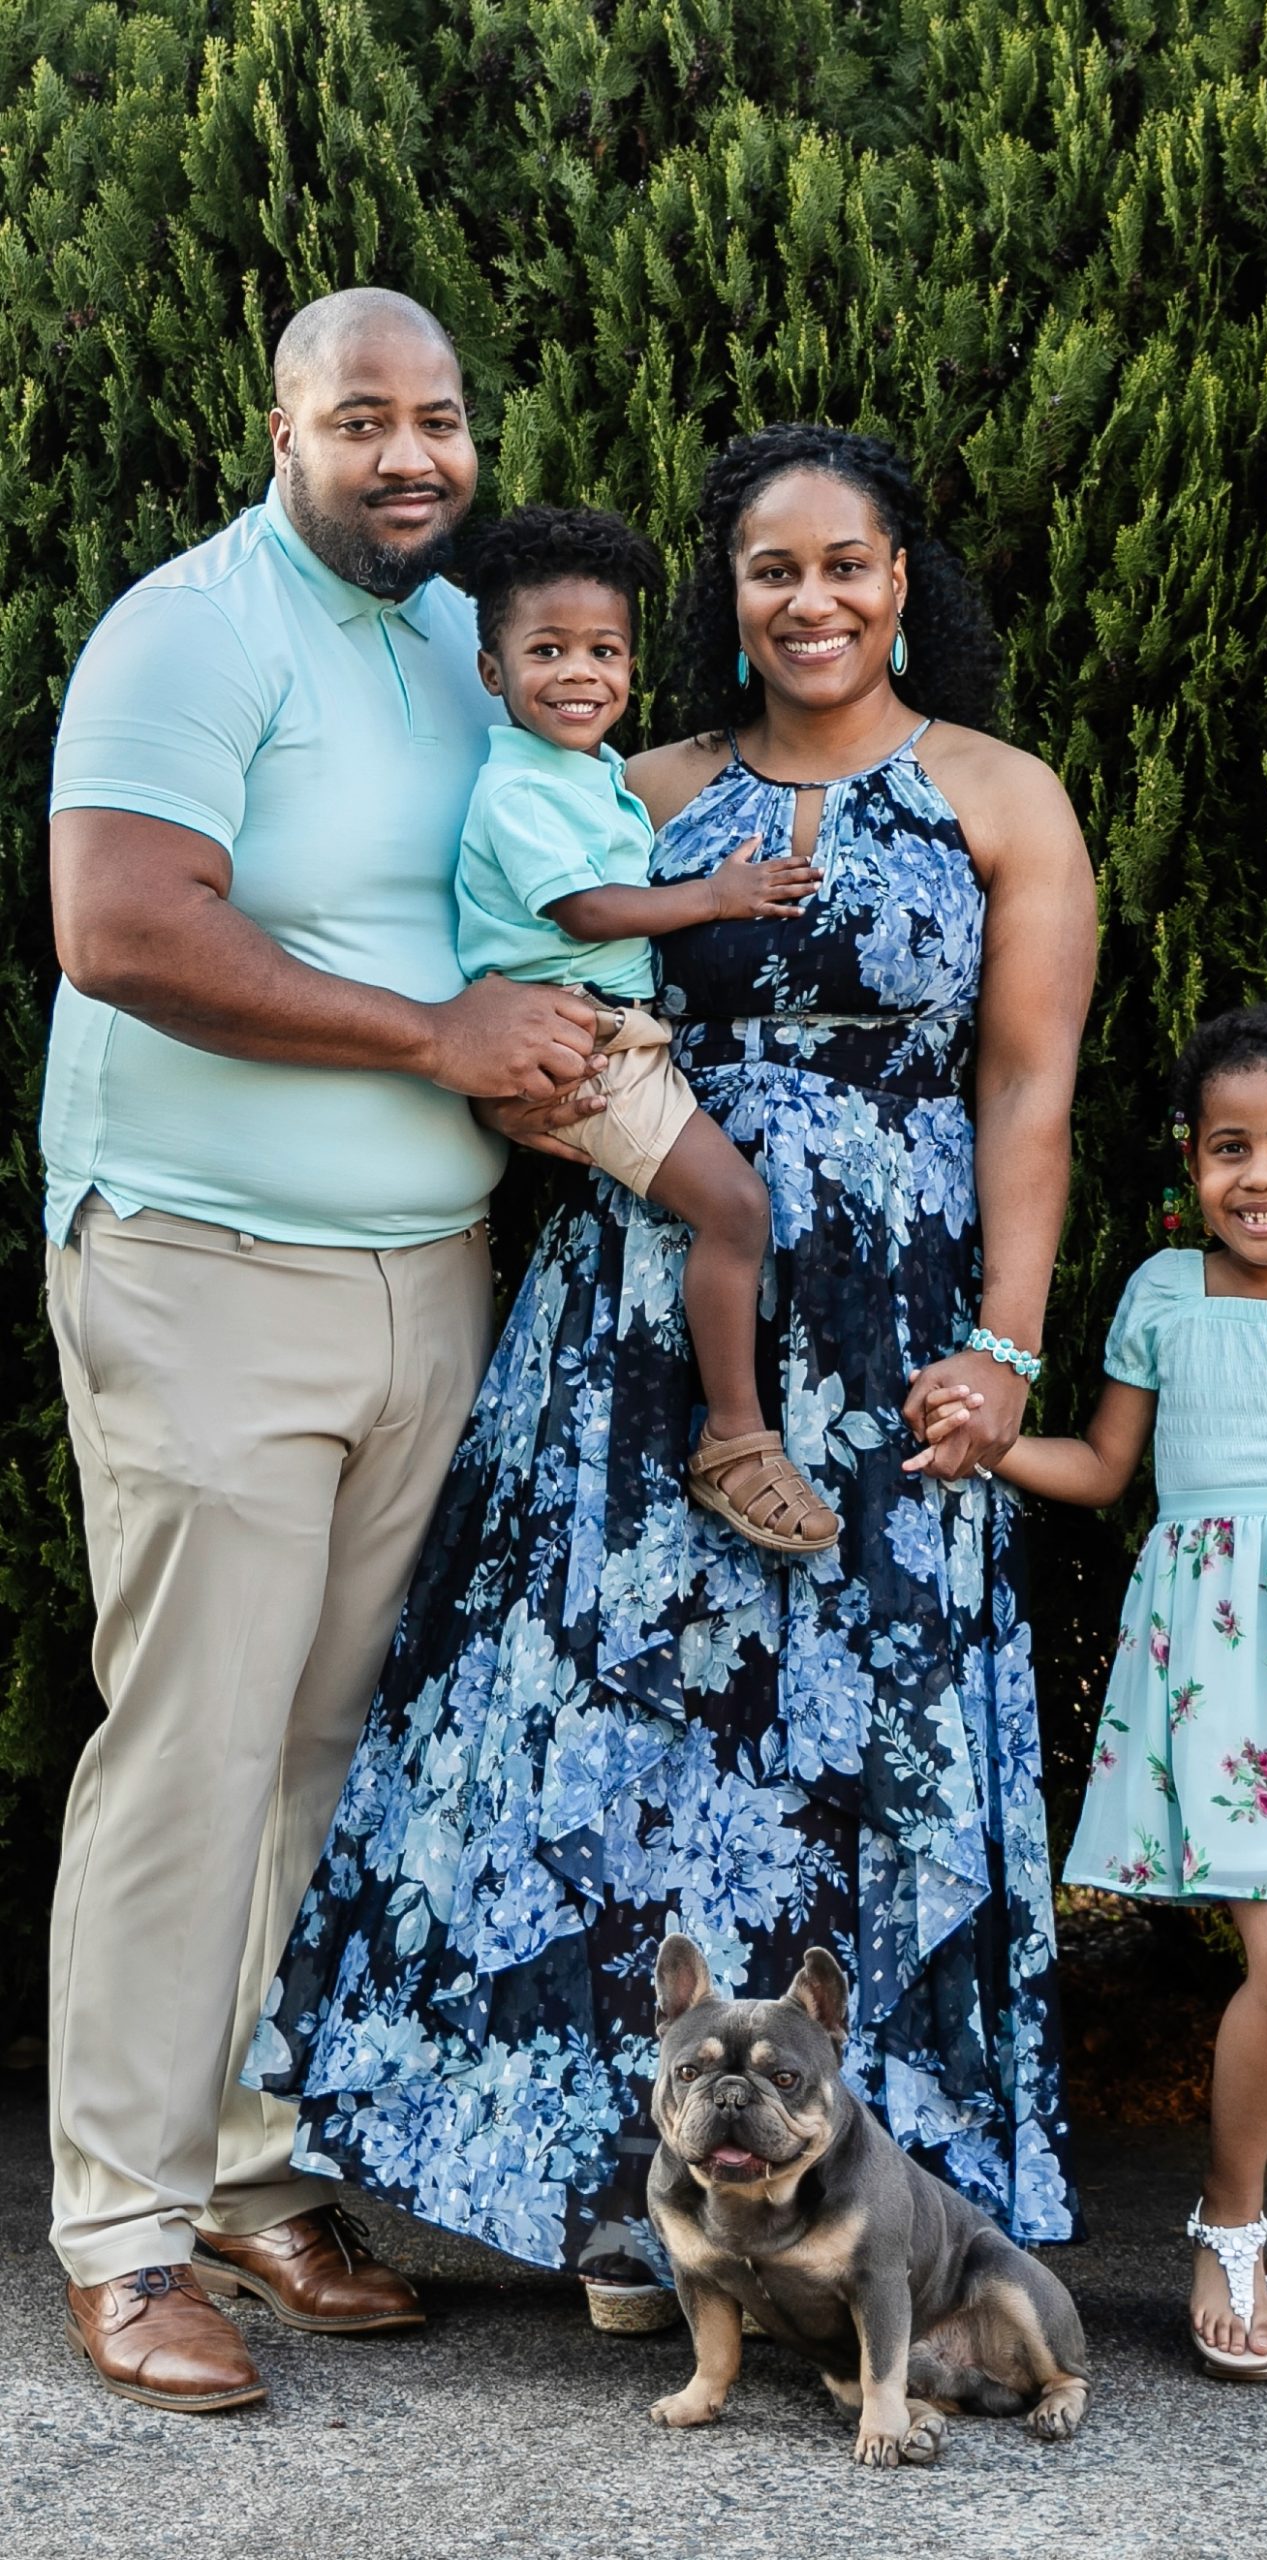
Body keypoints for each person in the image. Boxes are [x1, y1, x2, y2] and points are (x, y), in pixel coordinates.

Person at [249, 422, 1097, 2321]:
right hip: (644, 1324)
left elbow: (1027, 1083)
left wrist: (1007, 1343)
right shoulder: (628, 785)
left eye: (847, 565)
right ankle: (623, 2207)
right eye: (771, 570)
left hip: (890, 1333)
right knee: (617, 1740)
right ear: (724, 600)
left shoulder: (997, 797)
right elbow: (513, 976)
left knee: (852, 1748)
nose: (811, 600)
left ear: (903, 581)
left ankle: (876, 2223)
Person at [41, 287, 601, 2412]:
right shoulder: (192, 631)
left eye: (438, 418)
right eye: (361, 417)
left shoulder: (460, 648)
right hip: (200, 1264)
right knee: (188, 1738)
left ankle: (254, 2176)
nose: (409, 456)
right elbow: (122, 924)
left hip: (418, 1273)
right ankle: (118, 2220)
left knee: (316, 1745)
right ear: (278, 427)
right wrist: (434, 1037)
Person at [950, 1004, 1267, 2381]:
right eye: (1226, 1147)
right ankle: (1224, 2214)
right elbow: (1105, 1470)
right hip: (1224, 1662)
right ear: (1189, 1163)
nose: (1258, 1175)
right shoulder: (1163, 1297)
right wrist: (987, 1445)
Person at [456, 504, 837, 1552]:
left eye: (603, 651)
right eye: (546, 651)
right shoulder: (516, 791)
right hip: (587, 1051)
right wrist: (718, 897)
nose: (579, 674)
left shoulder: (587, 776)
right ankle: (734, 1439)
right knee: (733, 1211)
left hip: (621, 1042)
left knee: (728, 1211)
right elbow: (585, 911)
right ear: (491, 672)